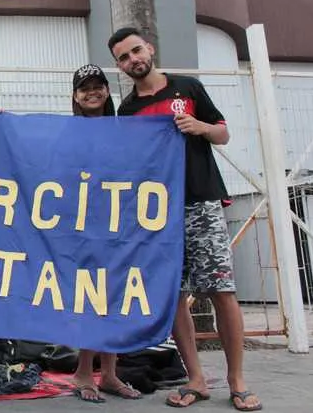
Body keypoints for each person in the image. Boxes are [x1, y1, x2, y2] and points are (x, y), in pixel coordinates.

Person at [110, 27, 262, 412]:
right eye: (124, 58)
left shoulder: (188, 88)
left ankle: (237, 381)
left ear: (150, 48)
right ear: (119, 66)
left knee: (221, 291)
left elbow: (223, 132)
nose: (132, 61)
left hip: (201, 201)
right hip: (158, 212)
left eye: (135, 51)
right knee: (174, 297)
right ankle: (196, 379)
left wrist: (201, 128)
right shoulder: (127, 110)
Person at [69, 63, 142, 403]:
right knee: (89, 298)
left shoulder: (124, 129)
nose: (92, 91)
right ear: (75, 96)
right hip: (84, 226)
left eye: (98, 85)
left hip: (120, 224)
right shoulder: (66, 131)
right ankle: (84, 371)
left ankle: (110, 373)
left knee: (115, 297)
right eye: (85, 87)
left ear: (107, 91)